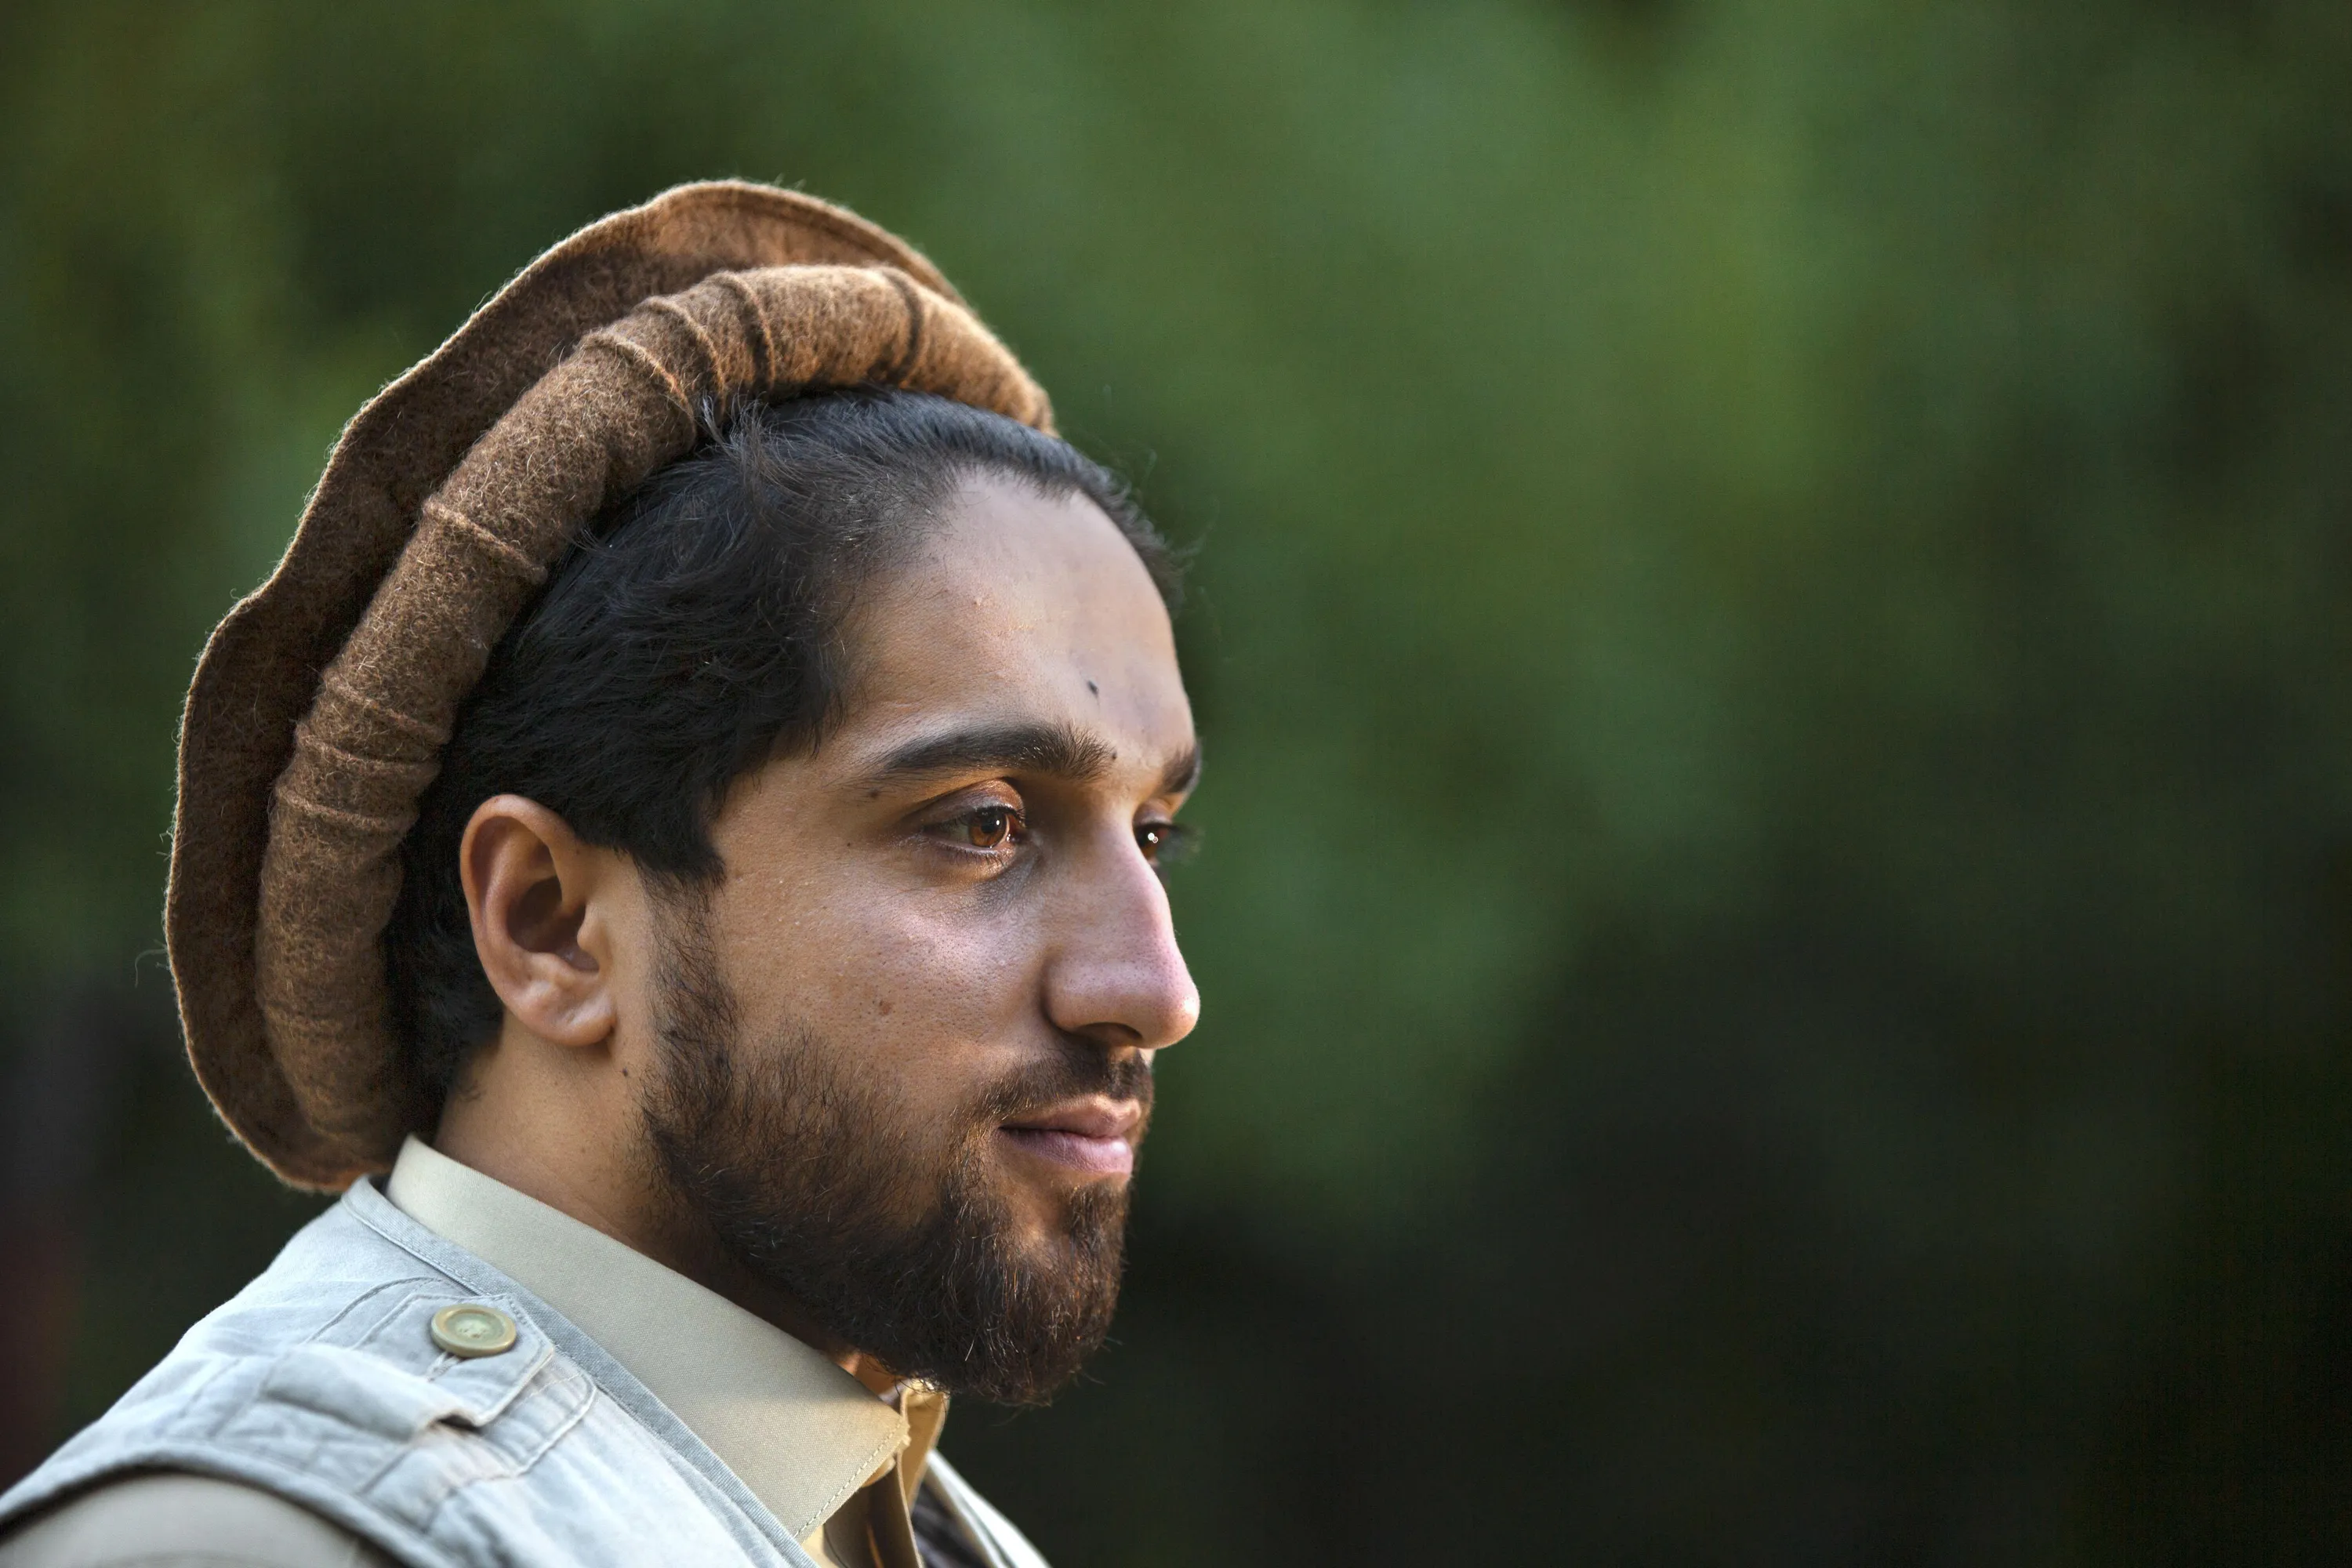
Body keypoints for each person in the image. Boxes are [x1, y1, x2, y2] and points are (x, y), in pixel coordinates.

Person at [0, 182, 1200, 1568]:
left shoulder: (893, 1523)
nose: (1157, 990)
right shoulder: (273, 1542)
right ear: (551, 925)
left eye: (1150, 833)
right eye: (984, 824)